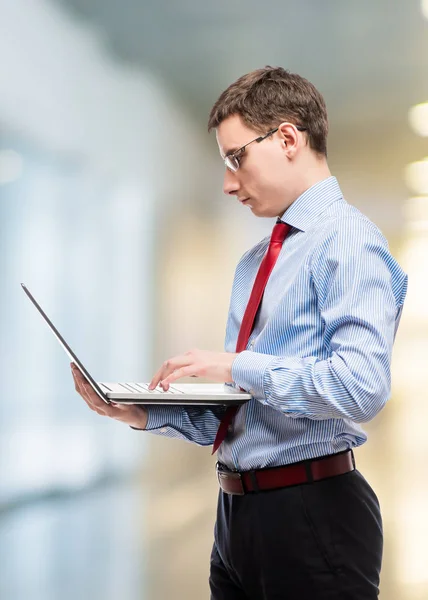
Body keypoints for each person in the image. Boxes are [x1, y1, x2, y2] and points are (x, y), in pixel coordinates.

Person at [71, 66, 408, 599]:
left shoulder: (346, 241)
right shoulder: (257, 262)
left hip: (312, 514)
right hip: (237, 516)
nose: (228, 182)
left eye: (236, 158)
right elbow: (247, 413)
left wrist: (234, 364)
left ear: (288, 138)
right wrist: (141, 412)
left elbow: (362, 386)